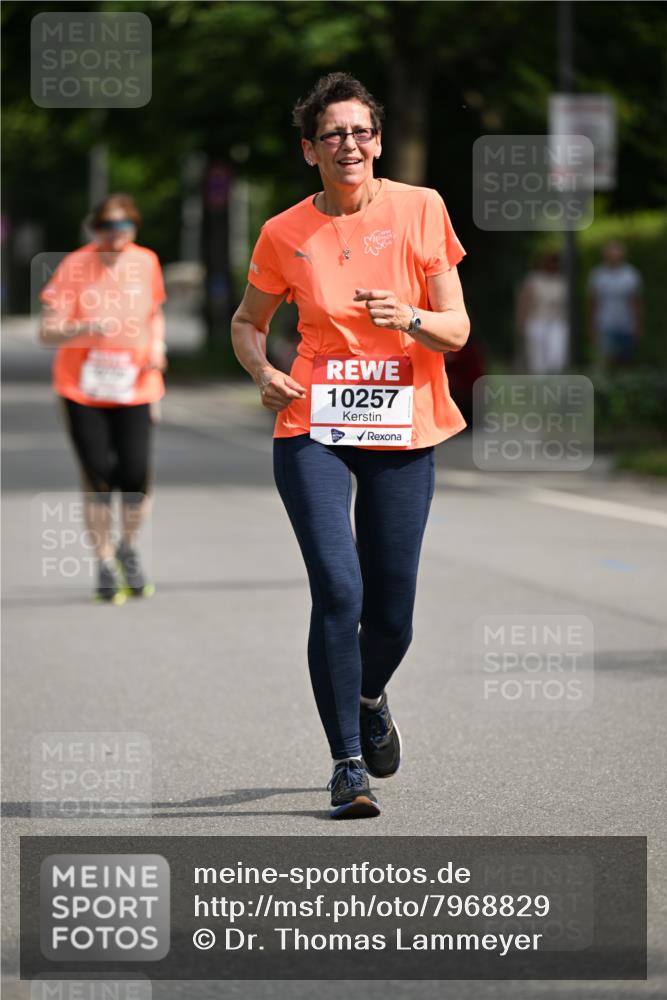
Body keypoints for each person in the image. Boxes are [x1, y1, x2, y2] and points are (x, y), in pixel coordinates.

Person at [231, 72, 470, 819]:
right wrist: (263, 370)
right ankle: (345, 765)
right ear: (310, 150)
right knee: (340, 590)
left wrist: (408, 316)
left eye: (361, 131)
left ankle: (369, 695)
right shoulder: (283, 233)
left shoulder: (420, 209)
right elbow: (246, 323)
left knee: (392, 613)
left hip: (404, 423)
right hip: (314, 426)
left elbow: (457, 331)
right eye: (332, 134)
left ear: (377, 140)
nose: (349, 144)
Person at [39, 192, 167, 604]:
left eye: (125, 227)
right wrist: (84, 326)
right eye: (108, 228)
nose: (117, 236)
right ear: (95, 229)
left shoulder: (145, 261)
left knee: (135, 476)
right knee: (98, 477)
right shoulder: (75, 265)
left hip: (136, 387)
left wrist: (158, 349)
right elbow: (47, 331)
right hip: (83, 389)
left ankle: (128, 548)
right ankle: (105, 563)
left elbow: (154, 312)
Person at [587, 240, 643, 369]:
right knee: (607, 360)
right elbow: (593, 303)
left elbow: (636, 302)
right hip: (605, 324)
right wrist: (591, 326)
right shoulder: (597, 275)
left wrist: (638, 324)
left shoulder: (631, 275)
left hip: (627, 325)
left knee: (626, 361)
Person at [515, 250, 568, 374]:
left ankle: (554, 383)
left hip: (557, 322)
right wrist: (521, 322)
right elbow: (524, 302)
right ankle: (540, 385)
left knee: (557, 357)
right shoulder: (533, 279)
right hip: (536, 321)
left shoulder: (562, 281)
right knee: (537, 360)